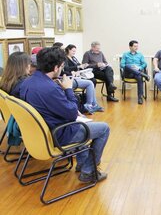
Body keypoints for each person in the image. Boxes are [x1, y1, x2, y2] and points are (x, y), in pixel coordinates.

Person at [19, 47, 110, 183]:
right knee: (104, 128)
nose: (62, 69)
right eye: (62, 66)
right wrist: (68, 89)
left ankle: (82, 163)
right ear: (56, 68)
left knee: (84, 126)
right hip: (58, 134)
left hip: (42, 132)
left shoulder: (27, 82)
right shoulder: (50, 88)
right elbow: (72, 113)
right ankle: (88, 171)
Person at [64, 44, 103, 113]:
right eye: (73, 51)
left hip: (76, 75)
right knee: (91, 82)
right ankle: (89, 105)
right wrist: (76, 69)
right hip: (71, 77)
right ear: (68, 50)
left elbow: (78, 65)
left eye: (75, 51)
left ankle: (94, 104)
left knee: (92, 81)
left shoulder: (73, 58)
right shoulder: (65, 59)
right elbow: (66, 69)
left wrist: (82, 66)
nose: (74, 52)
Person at [121, 40, 150, 105]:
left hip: (137, 72)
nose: (136, 48)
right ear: (130, 47)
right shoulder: (125, 54)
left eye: (137, 46)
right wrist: (131, 67)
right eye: (135, 46)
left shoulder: (140, 54)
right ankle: (144, 75)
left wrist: (139, 68)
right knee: (127, 66)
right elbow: (122, 65)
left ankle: (140, 97)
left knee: (139, 77)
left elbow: (144, 64)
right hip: (128, 73)